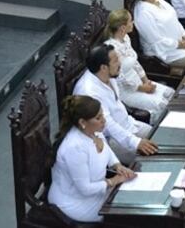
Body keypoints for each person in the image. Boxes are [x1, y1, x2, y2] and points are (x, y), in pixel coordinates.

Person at [48, 95, 135, 224]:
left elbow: (107, 151)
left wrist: (117, 166)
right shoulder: (74, 148)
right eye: (98, 118)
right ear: (82, 122)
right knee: (127, 215)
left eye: (102, 115)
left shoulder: (94, 131)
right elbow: (85, 189)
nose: (104, 121)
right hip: (76, 202)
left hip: (98, 189)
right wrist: (114, 181)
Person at [72, 44, 159, 163]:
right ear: (103, 67)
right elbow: (107, 124)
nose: (120, 63)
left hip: (129, 125)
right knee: (154, 158)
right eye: (116, 61)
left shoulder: (110, 74)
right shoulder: (90, 92)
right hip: (111, 139)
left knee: (161, 138)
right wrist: (136, 142)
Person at [104, 7, 174, 114]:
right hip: (128, 91)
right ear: (123, 27)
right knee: (162, 105)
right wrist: (141, 88)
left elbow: (135, 63)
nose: (133, 22)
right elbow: (119, 77)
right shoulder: (112, 48)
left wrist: (146, 80)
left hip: (139, 82)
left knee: (170, 93)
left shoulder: (126, 38)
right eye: (130, 21)